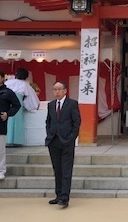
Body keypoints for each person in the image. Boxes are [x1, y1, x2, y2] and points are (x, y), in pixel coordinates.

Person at [45, 81, 81, 209]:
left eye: (59, 89)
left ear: (65, 91)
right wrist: (49, 134)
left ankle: (65, 197)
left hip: (66, 141)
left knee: (66, 170)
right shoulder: (51, 105)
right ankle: (58, 194)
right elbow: (48, 122)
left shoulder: (72, 104)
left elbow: (76, 123)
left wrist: (71, 138)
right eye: (54, 89)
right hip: (53, 140)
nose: (57, 92)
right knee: (57, 169)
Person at [0, 69, 21, 180]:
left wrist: (8, 114)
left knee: (0, 149)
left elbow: (17, 105)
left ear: (2, 79)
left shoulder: (8, 92)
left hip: (0, 123)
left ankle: (0, 171)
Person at [5, 67, 40, 146]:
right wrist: (33, 106)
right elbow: (32, 99)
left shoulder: (8, 82)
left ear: (16, 74)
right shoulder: (25, 85)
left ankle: (7, 141)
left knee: (7, 121)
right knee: (17, 122)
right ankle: (16, 141)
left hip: (7, 104)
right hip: (18, 104)